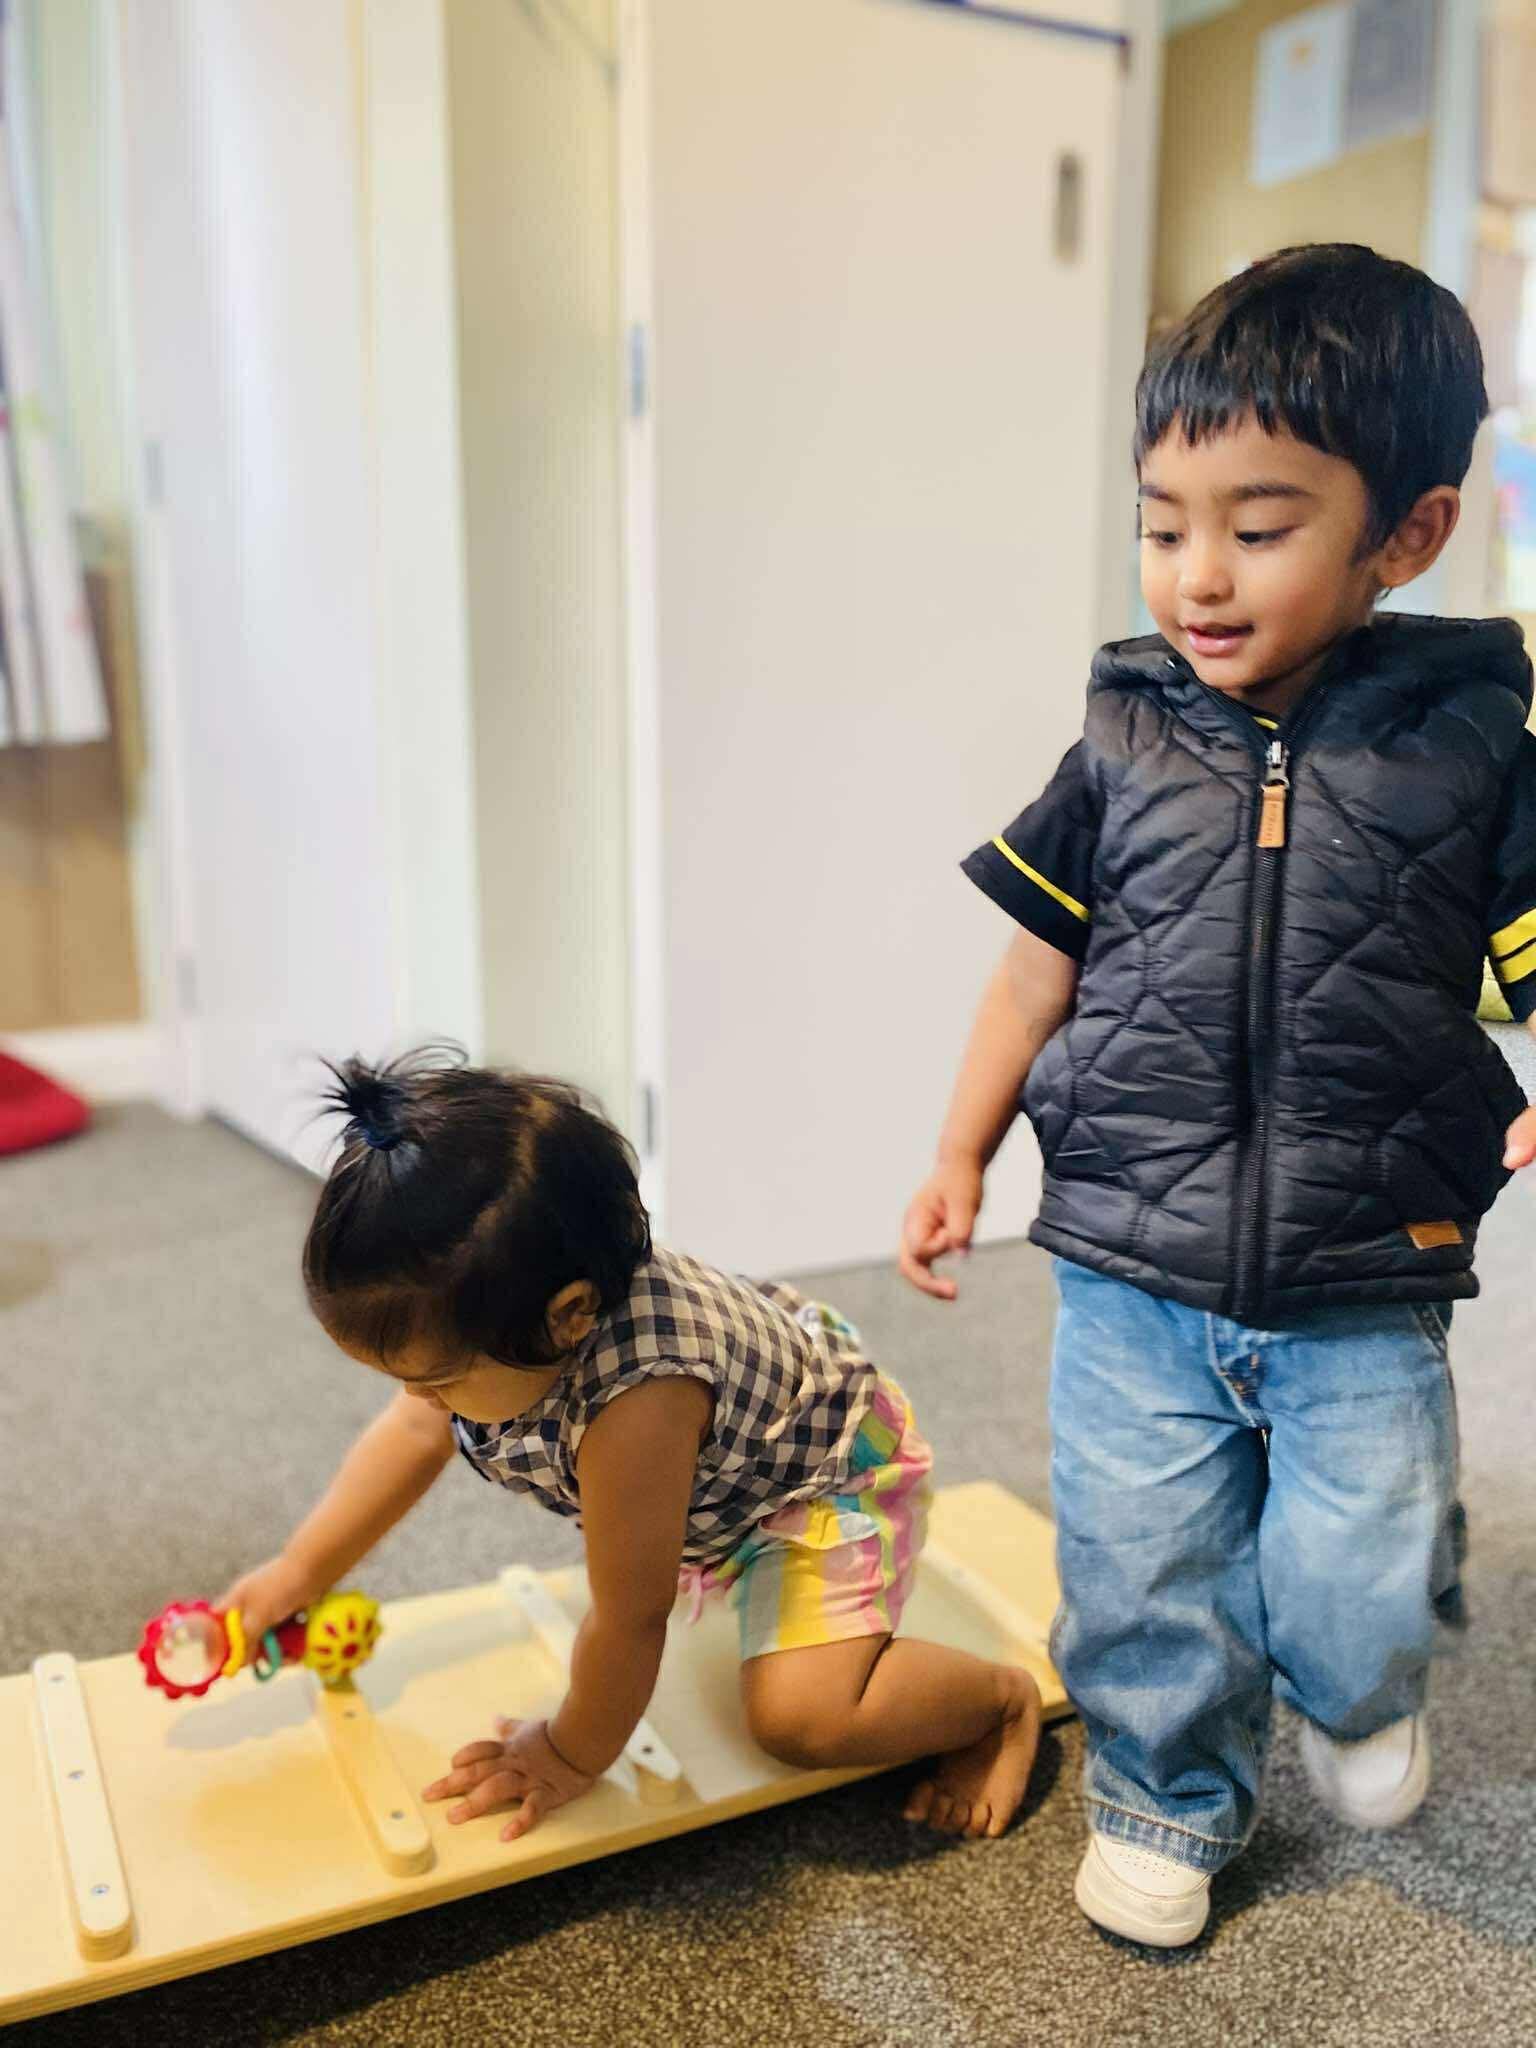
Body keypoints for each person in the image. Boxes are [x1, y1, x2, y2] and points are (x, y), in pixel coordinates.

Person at [900, 244, 1536, 1946]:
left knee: (1360, 1543)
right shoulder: (1124, 732)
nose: (1197, 572)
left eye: (1257, 528)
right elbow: (1033, 961)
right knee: (1141, 1558)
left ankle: (1357, 1673)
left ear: (1406, 533)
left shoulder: (1470, 740)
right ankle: (1168, 1797)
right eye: (1161, 521)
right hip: (1128, 1246)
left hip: (1365, 1239)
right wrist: (961, 1146)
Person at [226, 1055, 1041, 1844]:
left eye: (436, 1379)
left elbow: (630, 1617)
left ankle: (999, 1706)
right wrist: (301, 1570)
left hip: (826, 1478)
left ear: (570, 1313)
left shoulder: (637, 1406)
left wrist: (568, 1751)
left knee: (802, 1719)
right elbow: (410, 1436)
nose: (420, 1401)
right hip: (733, 1459)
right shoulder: (515, 1312)